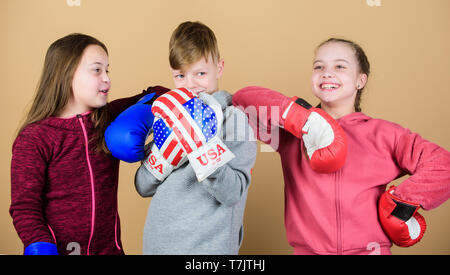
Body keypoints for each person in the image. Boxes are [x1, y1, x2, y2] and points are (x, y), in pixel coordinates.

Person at [232, 38, 450, 255]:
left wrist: (400, 204)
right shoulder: (292, 134)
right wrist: (300, 118)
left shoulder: (385, 134)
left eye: (339, 66)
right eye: (319, 66)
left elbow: (443, 166)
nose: (327, 73)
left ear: (360, 80)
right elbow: (242, 101)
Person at [9, 33, 168, 255]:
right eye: (97, 70)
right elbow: (25, 207)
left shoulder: (109, 119)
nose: (107, 79)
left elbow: (158, 93)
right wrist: (39, 244)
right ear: (67, 74)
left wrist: (141, 113)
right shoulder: (35, 138)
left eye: (107, 70)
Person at [134, 21, 258, 254]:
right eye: (180, 76)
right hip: (158, 243)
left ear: (219, 68)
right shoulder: (168, 117)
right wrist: (163, 155)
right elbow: (143, 186)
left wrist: (202, 146)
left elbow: (232, 194)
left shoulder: (234, 120)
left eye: (200, 73)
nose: (190, 85)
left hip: (207, 248)